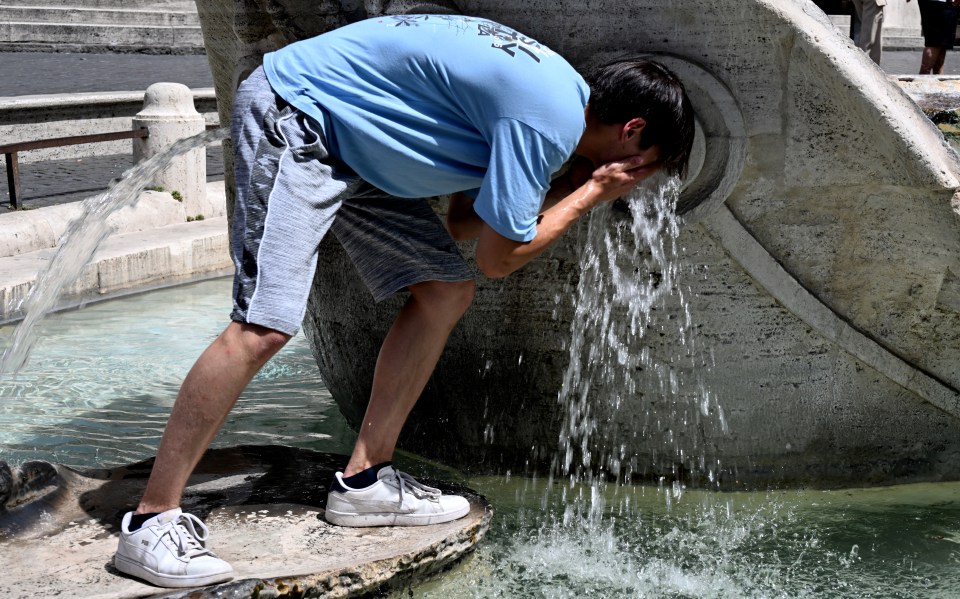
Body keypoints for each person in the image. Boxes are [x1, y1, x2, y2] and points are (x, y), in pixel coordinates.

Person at [111, 14, 695, 589]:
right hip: (301, 119)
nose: (642, 181)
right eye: (649, 165)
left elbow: (467, 223)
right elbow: (498, 260)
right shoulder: (548, 121)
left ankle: (364, 483)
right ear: (632, 130)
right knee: (264, 324)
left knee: (445, 289)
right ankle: (150, 522)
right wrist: (591, 192)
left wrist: (563, 186)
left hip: (360, 148)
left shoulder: (556, 97)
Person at [918, 0, 960, 74]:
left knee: (940, 50)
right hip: (937, 5)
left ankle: (936, 80)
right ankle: (921, 80)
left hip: (946, 4)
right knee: (934, 44)